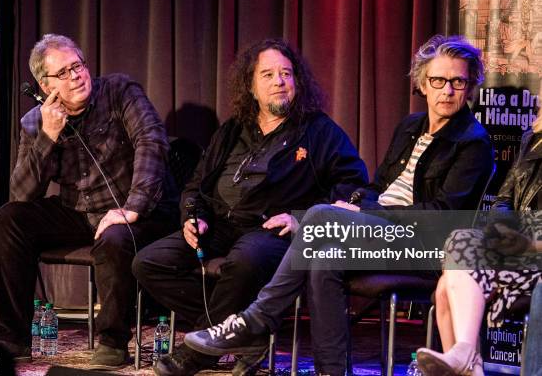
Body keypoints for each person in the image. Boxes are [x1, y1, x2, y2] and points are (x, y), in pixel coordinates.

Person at [183, 34, 495, 376]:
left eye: (457, 81)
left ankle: (256, 318)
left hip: (423, 246)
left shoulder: (473, 143)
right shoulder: (410, 127)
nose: (447, 91)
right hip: (380, 234)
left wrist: (366, 213)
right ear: (423, 82)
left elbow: (443, 217)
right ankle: (331, 370)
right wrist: (356, 205)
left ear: (470, 86)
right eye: (438, 80)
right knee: (323, 257)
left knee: (317, 215)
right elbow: (376, 186)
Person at [132, 38, 368, 376]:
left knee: (245, 261)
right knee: (148, 263)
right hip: (218, 225)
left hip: (269, 230)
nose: (279, 82)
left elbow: (354, 186)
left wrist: (301, 218)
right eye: (268, 75)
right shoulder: (232, 130)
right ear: (251, 86)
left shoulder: (318, 131)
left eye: (286, 74)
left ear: (297, 82)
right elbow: (196, 185)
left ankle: (198, 353)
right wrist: (192, 217)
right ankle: (246, 330)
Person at [0, 34, 179, 370]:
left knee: (115, 236)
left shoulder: (120, 92)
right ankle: (11, 338)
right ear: (43, 84)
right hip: (79, 212)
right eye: (63, 73)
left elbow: (152, 141)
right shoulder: (35, 121)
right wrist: (47, 137)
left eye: (77, 65)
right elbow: (22, 194)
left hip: (138, 211)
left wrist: (132, 207)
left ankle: (112, 341)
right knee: (10, 219)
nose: (76, 75)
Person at [415, 115, 542, 376]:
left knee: (446, 286)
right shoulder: (532, 140)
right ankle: (466, 358)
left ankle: (468, 361)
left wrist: (530, 245)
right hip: (520, 245)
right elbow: (504, 199)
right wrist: (503, 230)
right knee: (459, 244)